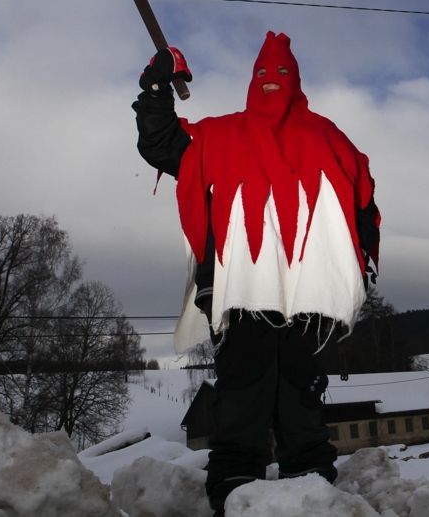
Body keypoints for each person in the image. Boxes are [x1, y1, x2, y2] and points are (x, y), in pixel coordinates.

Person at [133, 33, 381, 515]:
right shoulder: (224, 134)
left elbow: (362, 204)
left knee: (300, 390)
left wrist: (362, 262)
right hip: (237, 288)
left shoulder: (326, 137)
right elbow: (162, 142)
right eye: (263, 75)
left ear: (296, 81)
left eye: (281, 75)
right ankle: (236, 488)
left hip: (306, 296)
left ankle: (308, 487)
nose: (271, 84)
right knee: (246, 388)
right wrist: (157, 86)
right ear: (252, 80)